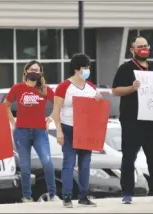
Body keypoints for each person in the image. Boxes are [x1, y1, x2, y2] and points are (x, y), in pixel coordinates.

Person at [112, 36, 153, 204]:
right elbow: (115, 90)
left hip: (152, 120)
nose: (143, 48)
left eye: (145, 46)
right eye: (139, 46)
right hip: (131, 120)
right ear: (132, 50)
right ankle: (127, 192)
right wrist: (132, 88)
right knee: (129, 157)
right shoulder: (126, 68)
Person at [52, 53, 102, 208]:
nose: (87, 70)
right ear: (76, 69)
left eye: (88, 67)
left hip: (85, 130)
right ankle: (67, 196)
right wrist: (59, 131)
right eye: (84, 67)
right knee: (69, 162)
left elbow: (96, 110)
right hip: (68, 128)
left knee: (85, 163)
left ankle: (83, 196)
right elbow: (56, 111)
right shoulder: (64, 87)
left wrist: (98, 100)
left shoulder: (91, 87)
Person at [4, 60, 57, 203]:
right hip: (21, 132)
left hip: (40, 131)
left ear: (41, 73)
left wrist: (50, 118)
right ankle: (27, 196)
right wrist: (13, 123)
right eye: (32, 69)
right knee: (25, 166)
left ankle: (53, 194)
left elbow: (59, 104)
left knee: (47, 162)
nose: (34, 72)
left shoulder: (45, 89)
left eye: (37, 70)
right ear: (26, 71)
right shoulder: (18, 88)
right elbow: (6, 105)